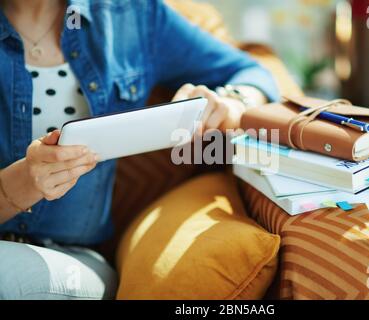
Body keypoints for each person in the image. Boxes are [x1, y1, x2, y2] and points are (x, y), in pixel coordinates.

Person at [0, 0, 279, 299]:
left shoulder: (133, 16)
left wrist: (231, 102)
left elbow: (254, 74)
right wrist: (18, 186)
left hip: (74, 260)